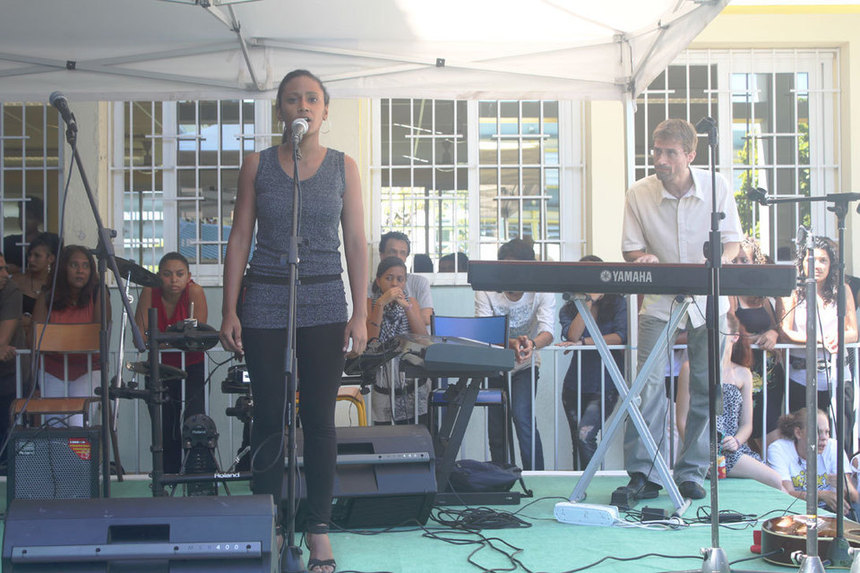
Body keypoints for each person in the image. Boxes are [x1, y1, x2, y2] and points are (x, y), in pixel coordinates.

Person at [219, 69, 367, 573]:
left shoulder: (344, 167)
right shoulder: (256, 164)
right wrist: (229, 307)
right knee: (268, 417)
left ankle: (318, 529)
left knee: (319, 421)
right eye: (291, 99)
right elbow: (240, 237)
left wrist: (361, 313)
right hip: (265, 297)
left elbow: (356, 242)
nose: (302, 105)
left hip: (325, 298)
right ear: (279, 110)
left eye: (312, 99)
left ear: (325, 110)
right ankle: (271, 522)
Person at [619, 118, 742, 502]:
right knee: (647, 388)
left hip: (709, 302)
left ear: (690, 155)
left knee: (707, 390)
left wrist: (715, 264)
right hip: (659, 303)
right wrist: (644, 257)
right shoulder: (638, 192)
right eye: (657, 150)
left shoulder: (717, 185)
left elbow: (734, 243)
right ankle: (643, 473)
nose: (660, 159)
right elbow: (630, 248)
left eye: (670, 152)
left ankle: (693, 472)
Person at [475, 238, 555, 471]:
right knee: (497, 427)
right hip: (494, 362)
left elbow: (547, 331)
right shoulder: (486, 288)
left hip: (526, 363)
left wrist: (530, 344)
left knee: (523, 419)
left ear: (528, 268)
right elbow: (483, 329)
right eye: (505, 267)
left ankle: (536, 478)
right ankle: (500, 477)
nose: (510, 274)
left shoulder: (541, 290)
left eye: (516, 268)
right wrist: (508, 342)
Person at [135, 252, 208, 474]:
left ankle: (195, 475)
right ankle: (168, 477)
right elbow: (140, 335)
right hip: (159, 368)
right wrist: (174, 341)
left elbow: (197, 337)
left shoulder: (195, 291)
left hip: (191, 366)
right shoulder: (150, 291)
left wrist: (161, 341)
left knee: (194, 422)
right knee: (164, 426)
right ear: (159, 276)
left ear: (189, 276)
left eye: (179, 274)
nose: (173, 280)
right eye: (167, 274)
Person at [780, 236, 857, 443]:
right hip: (801, 376)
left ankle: (841, 475)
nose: (818, 265)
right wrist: (815, 339)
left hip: (837, 375)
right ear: (802, 263)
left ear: (831, 265)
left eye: (824, 260)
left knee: (840, 436)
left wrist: (838, 337)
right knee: (803, 436)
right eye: (811, 260)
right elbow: (785, 331)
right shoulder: (793, 291)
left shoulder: (843, 289)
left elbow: (853, 332)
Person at [557, 255, 627, 470]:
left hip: (606, 384)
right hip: (574, 385)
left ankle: (592, 484)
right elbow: (571, 335)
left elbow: (621, 336)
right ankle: (580, 489)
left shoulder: (617, 303)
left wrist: (584, 342)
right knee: (577, 442)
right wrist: (588, 301)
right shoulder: (569, 308)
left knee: (585, 436)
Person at [32, 245, 110, 427]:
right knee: (55, 424)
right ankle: (60, 457)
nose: (80, 270)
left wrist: (60, 340)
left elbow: (98, 335)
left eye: (85, 266)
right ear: (63, 268)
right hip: (52, 368)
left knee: (78, 422)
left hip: (88, 367)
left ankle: (78, 457)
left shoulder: (99, 293)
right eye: (74, 265)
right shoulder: (47, 296)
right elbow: (36, 340)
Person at [730, 236, 786, 453]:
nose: (738, 265)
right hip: (743, 370)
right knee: (743, 427)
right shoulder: (729, 295)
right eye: (734, 260)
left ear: (755, 262)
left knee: (770, 427)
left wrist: (772, 333)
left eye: (744, 260)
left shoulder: (763, 297)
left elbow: (776, 327)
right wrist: (750, 339)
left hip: (769, 373)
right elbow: (728, 329)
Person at [716, 320, 785, 490]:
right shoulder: (690, 369)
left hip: (732, 448)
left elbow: (747, 424)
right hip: (706, 448)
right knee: (775, 480)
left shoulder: (743, 373)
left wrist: (737, 441)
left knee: (779, 483)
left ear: (735, 337)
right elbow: (683, 421)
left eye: (721, 332)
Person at [367, 257, 427, 425]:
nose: (394, 284)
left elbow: (422, 338)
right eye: (388, 278)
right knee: (386, 436)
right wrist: (380, 304)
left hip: (411, 378)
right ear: (379, 281)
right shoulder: (371, 303)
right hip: (384, 380)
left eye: (399, 279)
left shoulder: (411, 302)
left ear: (405, 282)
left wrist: (406, 307)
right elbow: (372, 342)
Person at [767, 408, 859, 516]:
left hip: (829, 510)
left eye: (827, 432)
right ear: (798, 433)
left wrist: (848, 488)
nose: (824, 438)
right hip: (796, 510)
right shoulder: (779, 449)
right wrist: (821, 495)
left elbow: (853, 498)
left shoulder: (833, 447)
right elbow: (787, 494)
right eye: (817, 432)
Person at [370, 232, 433, 328]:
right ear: (382, 255)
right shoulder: (370, 289)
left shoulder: (420, 283)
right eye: (392, 252)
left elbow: (427, 319)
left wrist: (407, 307)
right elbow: (367, 328)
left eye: (402, 253)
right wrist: (381, 303)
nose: (398, 256)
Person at [12, 233, 59, 347]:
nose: (31, 259)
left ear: (51, 258)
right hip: (17, 343)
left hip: (47, 343)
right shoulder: (16, 281)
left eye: (37, 256)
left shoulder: (56, 285)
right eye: (29, 255)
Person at [0, 253, 22, 464]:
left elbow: (2, 342)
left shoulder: (10, 291)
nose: (7, 275)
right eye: (0, 270)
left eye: (6, 268)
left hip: (7, 376)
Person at [3, 197, 59, 274]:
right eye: (21, 216)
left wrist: (20, 270)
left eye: (29, 217)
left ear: (40, 220)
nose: (23, 220)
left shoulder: (49, 241)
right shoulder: (8, 242)